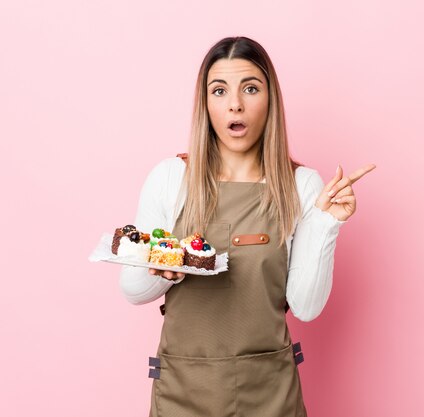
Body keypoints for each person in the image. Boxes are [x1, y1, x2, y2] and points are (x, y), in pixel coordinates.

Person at [119, 36, 375, 417]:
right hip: (182, 394)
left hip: (269, 396)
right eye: (219, 90)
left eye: (250, 88)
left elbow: (306, 307)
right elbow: (134, 291)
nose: (235, 104)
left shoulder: (302, 185)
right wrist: (166, 270)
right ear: (205, 104)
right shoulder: (171, 178)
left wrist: (326, 224)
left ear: (270, 99)